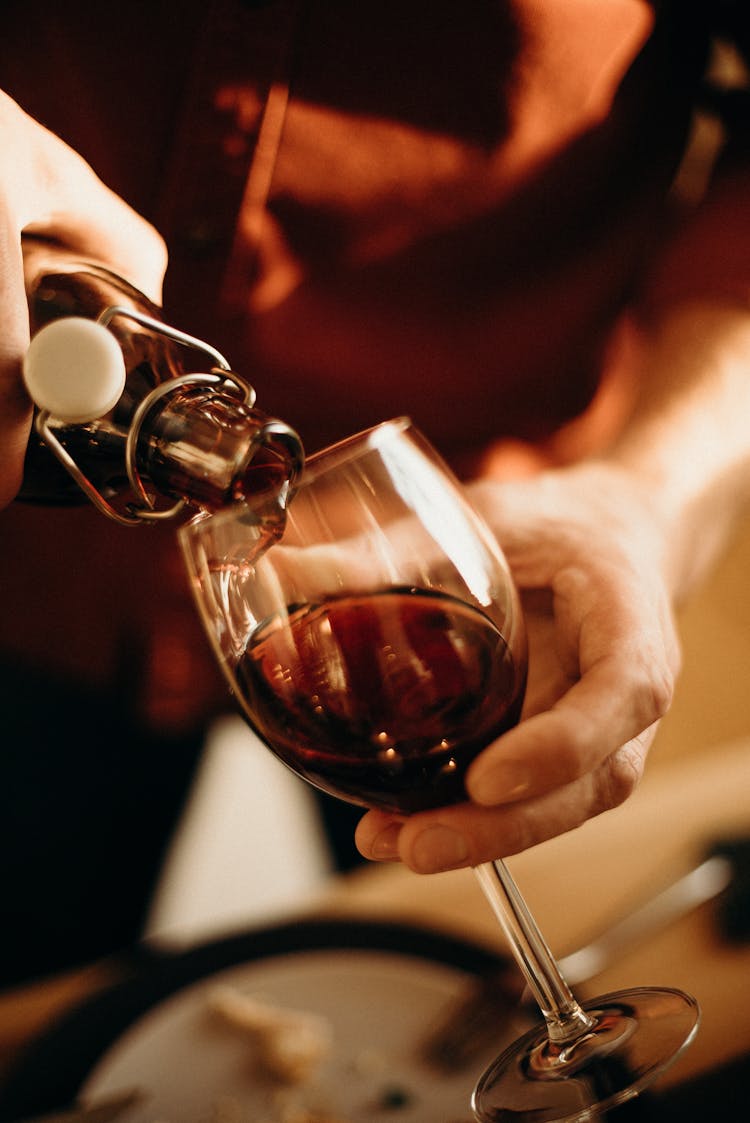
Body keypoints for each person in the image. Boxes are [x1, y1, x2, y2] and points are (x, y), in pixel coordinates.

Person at [1, 0, 750, 979]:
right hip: (29, 593)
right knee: (40, 992)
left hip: (492, 552)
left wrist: (649, 492)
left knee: (477, 970)